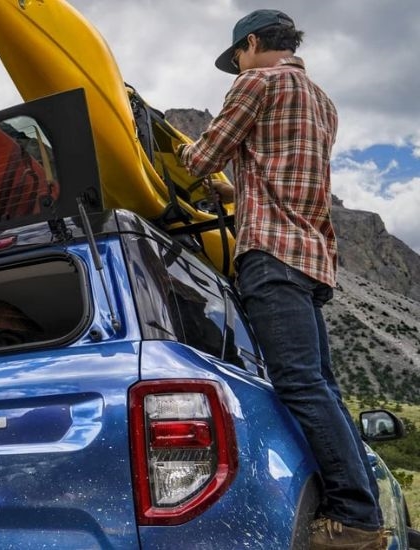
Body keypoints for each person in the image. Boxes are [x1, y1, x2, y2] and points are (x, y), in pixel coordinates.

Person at [175, 10, 385, 550]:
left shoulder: (257, 82)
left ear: (250, 44)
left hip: (269, 254)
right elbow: (279, 173)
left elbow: (201, 158)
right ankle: (361, 509)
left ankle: (356, 521)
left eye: (236, 58)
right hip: (311, 257)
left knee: (298, 386)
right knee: (322, 388)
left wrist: (177, 152)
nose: (237, 68)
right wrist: (235, 193)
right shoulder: (322, 102)